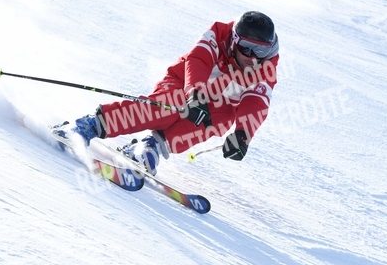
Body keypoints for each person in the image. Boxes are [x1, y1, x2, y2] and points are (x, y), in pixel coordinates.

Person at [53, 11, 280, 174]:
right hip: (183, 84)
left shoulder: (265, 67)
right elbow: (198, 60)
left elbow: (256, 102)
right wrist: (195, 94)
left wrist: (243, 134)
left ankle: (150, 147)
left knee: (222, 118)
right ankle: (87, 126)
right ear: (234, 41)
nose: (253, 57)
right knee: (172, 107)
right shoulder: (218, 35)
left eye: (260, 51)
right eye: (246, 48)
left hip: (214, 103)